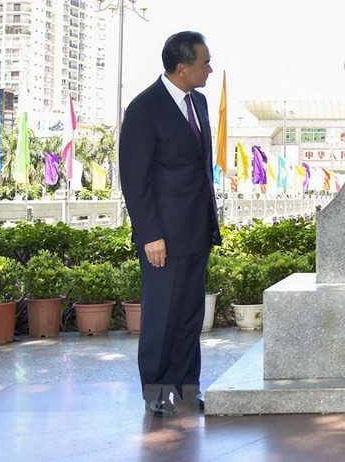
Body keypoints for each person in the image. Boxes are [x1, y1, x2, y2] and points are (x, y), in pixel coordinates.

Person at [119, 31, 221, 416]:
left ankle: (185, 386)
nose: (209, 68)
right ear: (182, 67)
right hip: (162, 237)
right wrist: (150, 235)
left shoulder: (201, 103)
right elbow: (135, 178)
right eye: (204, 62)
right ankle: (156, 392)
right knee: (161, 316)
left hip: (197, 231)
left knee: (189, 316)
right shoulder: (144, 109)